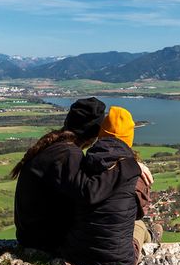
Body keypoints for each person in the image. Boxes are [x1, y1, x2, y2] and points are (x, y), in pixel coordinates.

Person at [12, 97, 132, 253]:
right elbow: (91, 194)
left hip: (30, 235)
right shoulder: (68, 154)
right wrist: (130, 167)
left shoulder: (56, 147)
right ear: (95, 133)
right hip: (44, 241)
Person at [61, 106, 155, 265]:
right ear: (129, 138)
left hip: (76, 262)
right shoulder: (136, 174)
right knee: (140, 226)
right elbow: (137, 212)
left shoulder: (78, 165)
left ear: (101, 135)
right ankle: (152, 238)